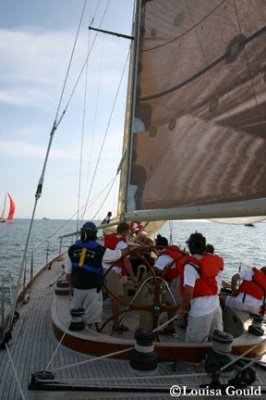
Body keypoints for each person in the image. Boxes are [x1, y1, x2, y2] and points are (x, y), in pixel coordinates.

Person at [64, 221, 132, 329]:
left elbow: (68, 273)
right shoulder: (100, 250)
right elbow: (117, 254)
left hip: (77, 290)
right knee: (89, 319)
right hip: (92, 291)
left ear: (82, 233)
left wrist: (70, 286)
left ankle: (78, 335)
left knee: (77, 317)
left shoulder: (71, 250)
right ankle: (88, 335)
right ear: (95, 234)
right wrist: (129, 249)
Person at [176, 232, 224, 343]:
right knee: (216, 342)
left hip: (200, 311)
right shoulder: (212, 261)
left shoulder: (190, 266)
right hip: (216, 307)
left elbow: (189, 291)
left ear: (190, 247)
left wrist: (182, 308)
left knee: (194, 345)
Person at [103, 222, 138, 332]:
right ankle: (116, 324)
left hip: (104, 269)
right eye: (128, 232)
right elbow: (126, 262)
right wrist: (133, 277)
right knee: (117, 298)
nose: (128, 234)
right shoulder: (122, 244)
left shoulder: (110, 238)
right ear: (125, 231)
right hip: (113, 272)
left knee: (111, 295)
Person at [153, 236, 184, 334]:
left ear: (158, 246)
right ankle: (175, 325)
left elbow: (153, 271)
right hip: (182, 277)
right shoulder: (172, 251)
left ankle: (171, 327)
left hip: (177, 279)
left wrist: (140, 282)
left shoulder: (163, 257)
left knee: (170, 302)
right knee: (171, 302)